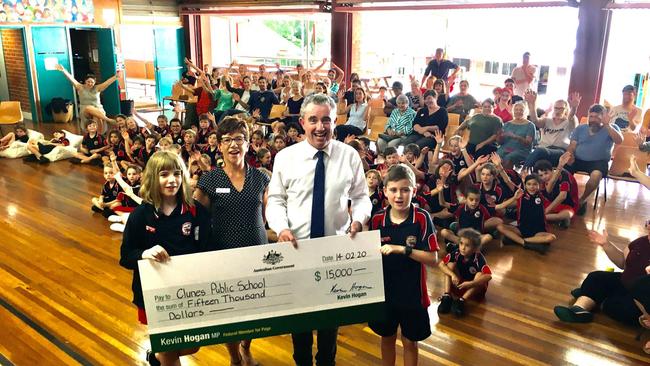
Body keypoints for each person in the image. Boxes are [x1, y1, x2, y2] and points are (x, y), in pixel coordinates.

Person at [267, 93, 372, 366]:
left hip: (334, 254)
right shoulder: (285, 157)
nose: (320, 127)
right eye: (313, 120)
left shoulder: (349, 156)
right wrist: (280, 228)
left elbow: (361, 197)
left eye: (326, 120)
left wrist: (358, 220)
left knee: (329, 326)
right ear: (302, 122)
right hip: (296, 251)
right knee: (299, 325)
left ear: (335, 121)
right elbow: (276, 200)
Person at [119, 151, 210, 366]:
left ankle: (156, 356)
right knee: (169, 349)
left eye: (177, 173)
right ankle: (163, 354)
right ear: (152, 178)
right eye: (164, 174)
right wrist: (144, 253)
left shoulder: (196, 211)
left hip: (188, 292)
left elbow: (207, 250)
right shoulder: (140, 215)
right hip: (154, 296)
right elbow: (125, 256)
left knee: (192, 344)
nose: (172, 180)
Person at [194, 117, 270, 366]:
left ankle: (247, 347)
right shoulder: (210, 180)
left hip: (257, 254)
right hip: (224, 254)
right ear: (219, 146)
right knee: (229, 312)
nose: (233, 145)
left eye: (239, 139)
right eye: (227, 140)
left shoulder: (260, 178)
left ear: (248, 144)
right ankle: (235, 357)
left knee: (255, 309)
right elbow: (196, 216)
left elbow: (273, 214)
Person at [368, 164, 438, 366]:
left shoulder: (422, 218)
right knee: (387, 338)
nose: (399, 195)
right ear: (385, 192)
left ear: (414, 191)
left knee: (410, 342)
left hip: (412, 294)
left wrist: (402, 249)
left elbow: (432, 259)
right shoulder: (377, 219)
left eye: (405, 189)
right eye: (394, 190)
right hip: (385, 293)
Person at [553, 221, 650, 325]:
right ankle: (579, 309)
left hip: (641, 298)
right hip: (625, 281)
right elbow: (622, 262)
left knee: (615, 307)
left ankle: (592, 295)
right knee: (595, 277)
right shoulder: (640, 242)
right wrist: (606, 244)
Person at [564, 104, 623, 215]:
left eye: (597, 117)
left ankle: (581, 201)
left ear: (603, 117)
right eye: (591, 117)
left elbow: (619, 140)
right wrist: (570, 155)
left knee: (595, 176)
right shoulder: (580, 128)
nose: (593, 120)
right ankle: (566, 198)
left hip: (599, 162)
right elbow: (572, 145)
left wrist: (607, 125)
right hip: (578, 159)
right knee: (563, 172)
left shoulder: (611, 128)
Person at [438, 228, 492, 317]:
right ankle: (447, 296)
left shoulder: (478, 258)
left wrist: (472, 283)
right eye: (461, 243)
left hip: (474, 288)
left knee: (480, 274)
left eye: (467, 245)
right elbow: (441, 264)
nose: (463, 248)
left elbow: (489, 276)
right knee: (450, 265)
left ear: (475, 248)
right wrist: (453, 275)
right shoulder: (456, 253)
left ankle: (462, 301)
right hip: (460, 284)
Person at [496, 175, 557, 254]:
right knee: (499, 227)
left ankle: (517, 241)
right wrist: (499, 166)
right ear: (525, 185)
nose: (532, 187)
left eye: (535, 184)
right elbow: (508, 181)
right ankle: (526, 243)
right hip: (521, 230)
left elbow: (552, 181)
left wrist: (560, 166)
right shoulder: (521, 195)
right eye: (529, 184)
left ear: (539, 185)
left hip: (538, 232)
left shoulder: (542, 195)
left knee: (551, 237)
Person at [523, 91, 579, 169]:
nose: (558, 110)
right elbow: (535, 121)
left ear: (566, 109)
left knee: (539, 151)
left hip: (559, 151)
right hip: (544, 149)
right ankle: (529, 177)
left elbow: (571, 116)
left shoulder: (569, 122)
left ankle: (523, 172)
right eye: (556, 108)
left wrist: (574, 107)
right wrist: (532, 104)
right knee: (539, 158)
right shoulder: (547, 120)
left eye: (561, 108)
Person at [54, 64, 118, 129]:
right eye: (88, 82)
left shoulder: (97, 88)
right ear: (85, 81)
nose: (90, 84)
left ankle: (98, 135)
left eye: (92, 82)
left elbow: (107, 83)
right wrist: (63, 70)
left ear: (95, 82)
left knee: (96, 116)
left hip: (98, 108)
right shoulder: (80, 87)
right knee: (88, 108)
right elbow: (71, 79)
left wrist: (116, 77)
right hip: (84, 110)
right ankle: (108, 120)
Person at [533, 156, 579, 229]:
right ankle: (545, 218)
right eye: (541, 175)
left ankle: (539, 218)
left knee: (567, 214)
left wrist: (546, 211)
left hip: (567, 204)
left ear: (552, 170)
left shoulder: (564, 176)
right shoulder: (542, 181)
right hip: (551, 202)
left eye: (546, 173)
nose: (544, 177)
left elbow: (562, 197)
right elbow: (543, 194)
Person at [496, 101, 536, 169]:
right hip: (505, 148)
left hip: (522, 150)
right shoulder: (507, 124)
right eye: (516, 109)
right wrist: (499, 136)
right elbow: (499, 142)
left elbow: (528, 143)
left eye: (521, 110)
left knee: (509, 157)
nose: (518, 112)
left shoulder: (530, 125)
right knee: (496, 157)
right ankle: (496, 177)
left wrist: (515, 136)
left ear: (525, 112)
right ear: (513, 111)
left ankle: (507, 177)